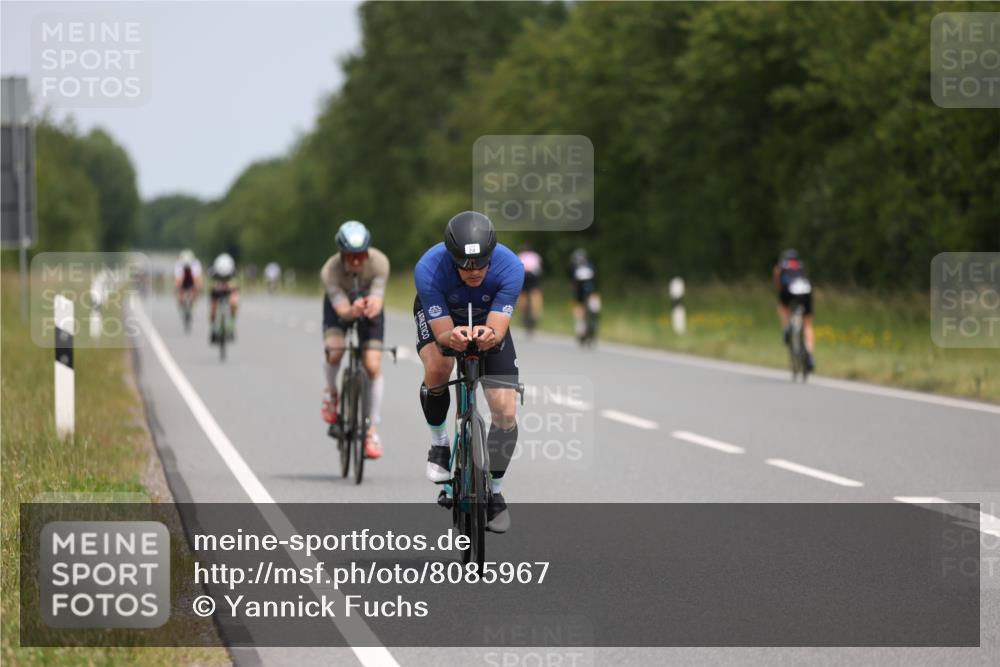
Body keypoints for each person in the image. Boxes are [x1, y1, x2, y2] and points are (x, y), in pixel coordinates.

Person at [413, 211, 524, 534]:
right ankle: (440, 443)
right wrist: (452, 338)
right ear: (451, 257)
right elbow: (443, 333)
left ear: (492, 255)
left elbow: (498, 329)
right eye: (464, 264)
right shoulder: (429, 269)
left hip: (487, 317)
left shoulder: (511, 267)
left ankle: (496, 491)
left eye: (480, 263)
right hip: (444, 317)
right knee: (439, 365)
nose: (473, 271)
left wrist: (491, 335)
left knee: (505, 411)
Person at [320, 221, 390, 459]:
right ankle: (331, 392)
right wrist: (352, 310)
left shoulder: (380, 262)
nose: (357, 261)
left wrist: (370, 307)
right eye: (351, 256)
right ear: (342, 254)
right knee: (335, 350)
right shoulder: (330, 270)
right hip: (339, 310)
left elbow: (378, 300)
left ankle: (371, 431)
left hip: (369, 308)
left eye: (361, 255)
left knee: (372, 364)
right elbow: (342, 311)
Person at [773, 248, 815, 371]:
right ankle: (810, 354)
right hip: (806, 289)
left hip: (789, 288)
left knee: (782, 306)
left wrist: (779, 287)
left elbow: (778, 283)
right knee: (807, 324)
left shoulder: (781, 265)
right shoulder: (801, 265)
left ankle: (786, 328)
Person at [569, 248, 600, 343]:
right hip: (591, 292)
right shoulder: (591, 266)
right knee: (595, 306)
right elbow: (596, 280)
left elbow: (573, 284)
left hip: (580, 294)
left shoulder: (574, 267)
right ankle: (594, 316)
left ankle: (580, 330)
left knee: (579, 310)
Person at [208, 253, 239, 342]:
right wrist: (215, 288)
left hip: (229, 289)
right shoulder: (213, 272)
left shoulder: (233, 271)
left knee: (234, 302)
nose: (224, 276)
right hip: (217, 290)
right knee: (213, 308)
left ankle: (231, 325)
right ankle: (213, 328)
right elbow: (210, 285)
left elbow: (236, 283)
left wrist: (233, 288)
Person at [517, 244, 544, 332]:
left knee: (523, 294)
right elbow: (539, 268)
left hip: (524, 274)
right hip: (533, 275)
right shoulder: (536, 256)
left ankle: (522, 312)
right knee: (535, 292)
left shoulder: (520, 255)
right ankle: (536, 313)